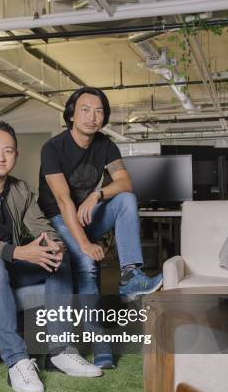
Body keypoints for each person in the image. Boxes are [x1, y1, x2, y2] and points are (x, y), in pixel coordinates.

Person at [0, 121, 103, 392]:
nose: (1, 157)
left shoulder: (20, 190)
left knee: (58, 258)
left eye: (8, 151)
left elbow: (42, 227)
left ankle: (59, 351)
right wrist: (18, 252)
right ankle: (17, 360)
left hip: (4, 268)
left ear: (16, 155)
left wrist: (54, 245)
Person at [38, 87, 162, 368]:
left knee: (126, 199)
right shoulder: (53, 148)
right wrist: (84, 245)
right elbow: (63, 200)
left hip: (87, 213)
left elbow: (125, 182)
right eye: (85, 109)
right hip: (58, 219)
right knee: (87, 264)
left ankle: (130, 275)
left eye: (99, 111)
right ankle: (100, 343)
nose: (92, 116)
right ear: (71, 114)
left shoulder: (105, 145)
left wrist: (97, 195)